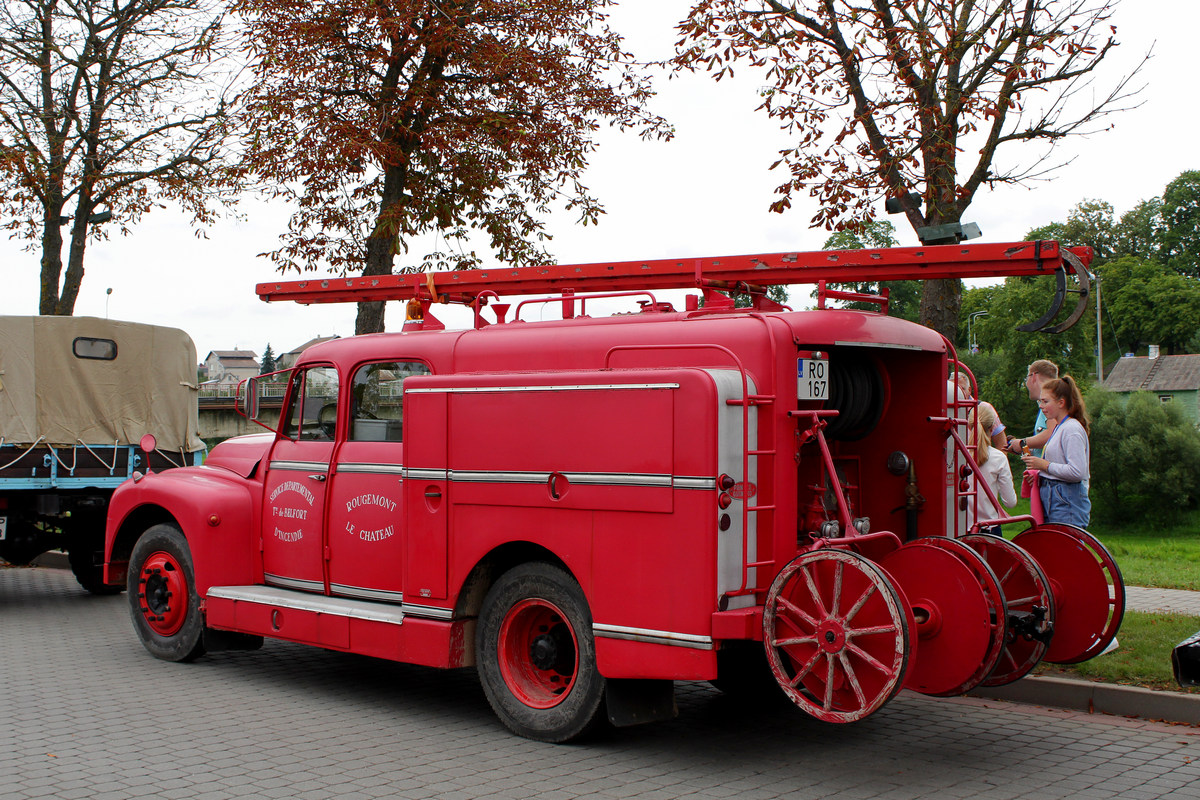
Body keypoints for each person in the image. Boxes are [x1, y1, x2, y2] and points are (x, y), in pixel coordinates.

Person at [1021, 375, 1090, 527]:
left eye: (1045, 401)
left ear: (1061, 403)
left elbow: (1077, 472)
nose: (1040, 406)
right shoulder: (1060, 427)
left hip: (1066, 500)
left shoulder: (1071, 429)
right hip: (1058, 497)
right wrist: (1039, 475)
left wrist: (1044, 465)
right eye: (1040, 401)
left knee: (1065, 548)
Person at [972, 404, 1017, 535]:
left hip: (962, 530)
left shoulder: (957, 456)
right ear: (992, 428)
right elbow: (1010, 502)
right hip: (990, 528)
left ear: (968, 426)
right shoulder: (999, 458)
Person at [1006, 359, 1059, 457]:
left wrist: (1022, 443)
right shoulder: (1052, 399)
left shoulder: (1049, 401)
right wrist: (1024, 448)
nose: (1026, 384)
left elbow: (1052, 434)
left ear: (1033, 376)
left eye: (1026, 379)